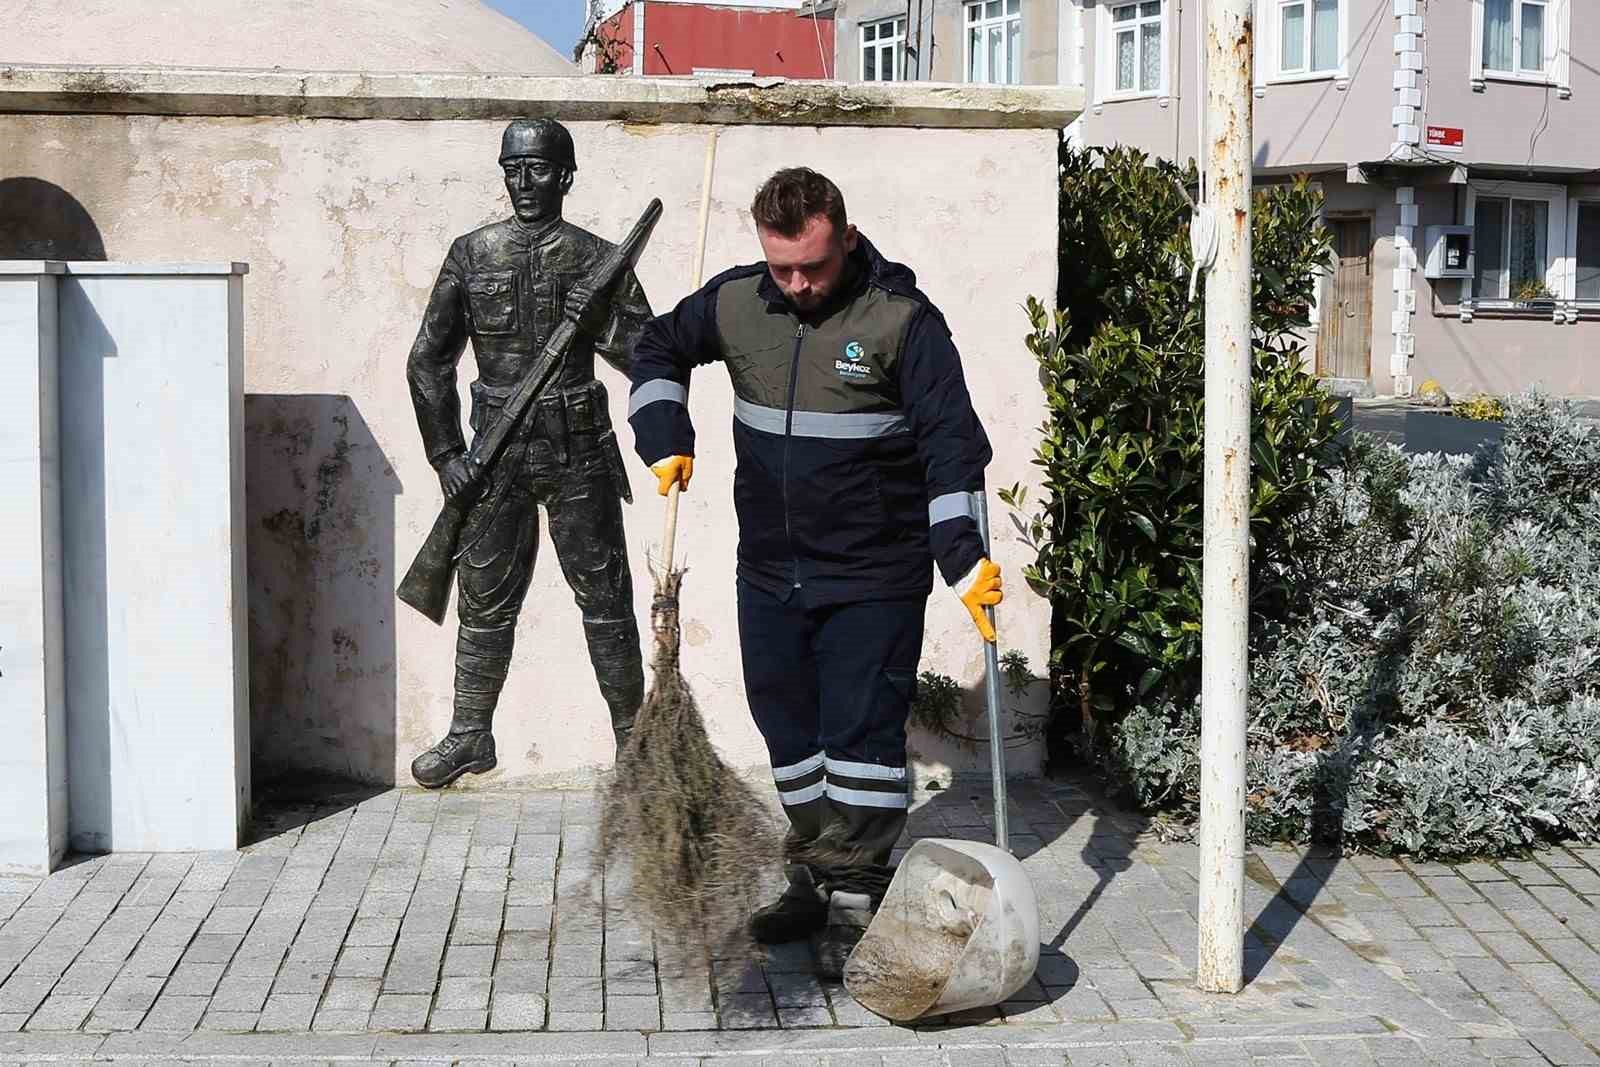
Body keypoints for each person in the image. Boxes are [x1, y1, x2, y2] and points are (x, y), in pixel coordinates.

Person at [626, 167, 1003, 973]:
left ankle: (859, 898)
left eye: (814, 267)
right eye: (782, 268)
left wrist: (965, 559)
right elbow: (655, 347)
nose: (796, 284)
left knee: (861, 741)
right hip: (770, 570)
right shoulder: (735, 302)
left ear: (848, 238)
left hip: (875, 572)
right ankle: (812, 876)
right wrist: (663, 428)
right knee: (790, 735)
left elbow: (953, 448)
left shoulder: (903, 321)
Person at [404, 118, 652, 789]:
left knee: (604, 594)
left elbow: (653, 358)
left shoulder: (597, 259)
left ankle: (634, 741)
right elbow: (428, 361)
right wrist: (446, 453)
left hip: (579, 448)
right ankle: (469, 733)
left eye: (538, 168)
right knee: (483, 595)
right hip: (495, 450)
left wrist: (600, 320)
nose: (523, 181)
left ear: (566, 176)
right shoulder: (472, 254)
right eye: (512, 168)